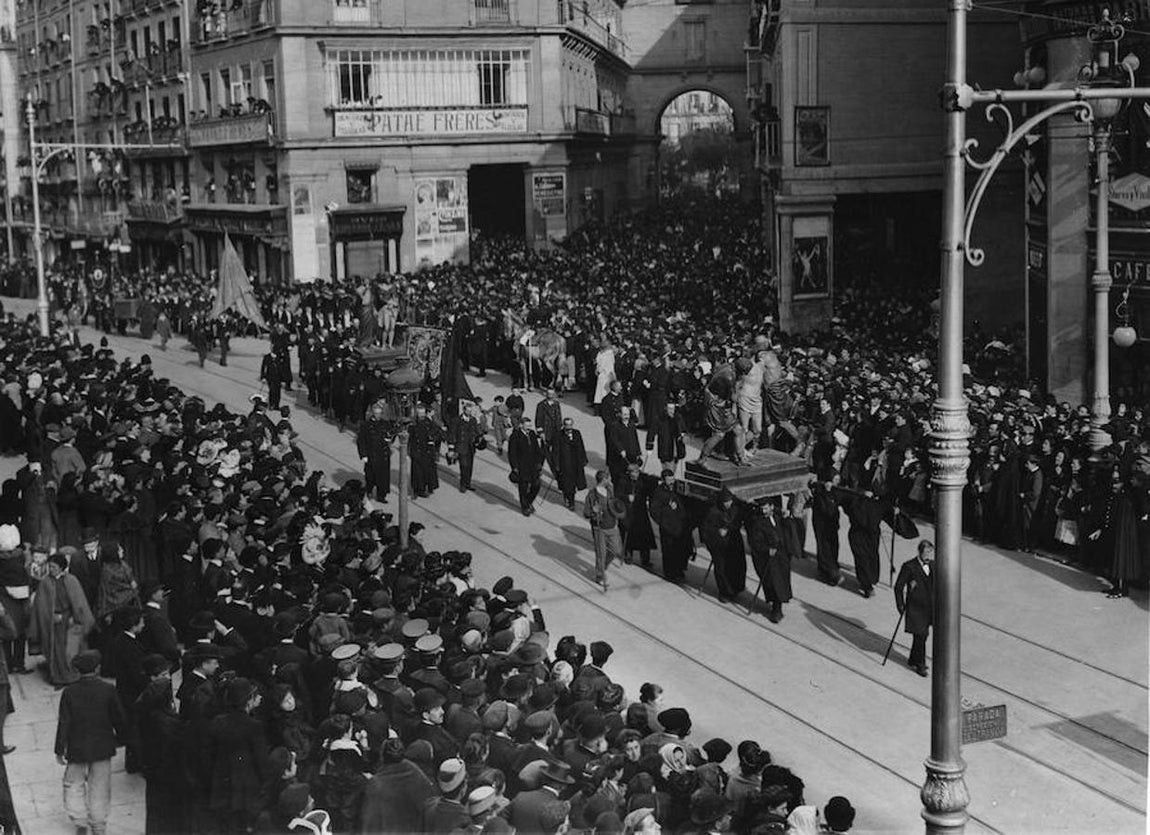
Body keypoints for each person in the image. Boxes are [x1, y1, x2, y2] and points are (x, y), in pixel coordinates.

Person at [55, 649, 125, 835]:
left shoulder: (69, 692)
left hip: (77, 748)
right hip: (102, 746)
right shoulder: (108, 690)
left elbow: (64, 722)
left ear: (78, 670)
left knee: (73, 784)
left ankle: (79, 821)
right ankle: (99, 825)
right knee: (100, 786)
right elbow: (119, 718)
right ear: (98, 668)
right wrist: (121, 739)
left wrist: (59, 749)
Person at [28, 551, 96, 686]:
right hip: (52, 623)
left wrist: (72, 617)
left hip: (70, 622)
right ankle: (58, 677)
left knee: (70, 650)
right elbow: (41, 606)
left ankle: (72, 676)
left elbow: (79, 603)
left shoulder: (72, 581)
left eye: (53, 567)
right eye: (50, 566)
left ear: (61, 567)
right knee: (56, 651)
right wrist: (50, 616)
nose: (51, 569)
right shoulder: (45, 583)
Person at [894, 540, 935, 677]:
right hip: (915, 608)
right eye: (926, 552)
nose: (929, 555)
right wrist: (900, 605)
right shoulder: (909, 566)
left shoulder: (933, 565)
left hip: (929, 609)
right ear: (920, 552)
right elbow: (898, 587)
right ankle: (920, 665)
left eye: (930, 551)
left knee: (921, 636)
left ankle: (913, 659)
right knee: (922, 635)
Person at [745, 501, 791, 623]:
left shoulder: (777, 517)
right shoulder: (758, 523)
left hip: (781, 557)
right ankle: (776, 609)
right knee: (773, 583)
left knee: (782, 582)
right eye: (762, 509)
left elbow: (787, 532)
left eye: (766, 508)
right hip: (768, 559)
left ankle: (778, 607)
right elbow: (756, 542)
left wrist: (787, 519)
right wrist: (767, 549)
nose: (764, 511)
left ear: (771, 506)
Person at [649, 469, 693, 584]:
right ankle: (670, 573)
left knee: (680, 550)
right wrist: (667, 511)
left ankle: (679, 570)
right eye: (669, 480)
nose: (671, 482)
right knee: (669, 551)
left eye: (672, 479)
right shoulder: (659, 493)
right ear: (663, 480)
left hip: (679, 526)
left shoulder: (677, 489)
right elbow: (654, 511)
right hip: (668, 527)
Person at [701, 490, 746, 602]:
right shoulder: (713, 512)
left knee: (737, 567)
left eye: (730, 501)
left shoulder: (735, 509)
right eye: (725, 502)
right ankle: (724, 592)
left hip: (734, 543)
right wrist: (717, 532)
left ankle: (735, 589)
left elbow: (737, 523)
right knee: (722, 569)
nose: (728, 504)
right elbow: (706, 530)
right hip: (719, 545)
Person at [585, 471, 623, 591]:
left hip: (612, 526)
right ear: (604, 479)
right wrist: (593, 511)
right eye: (608, 478)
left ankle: (603, 567)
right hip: (599, 528)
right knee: (601, 554)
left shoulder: (610, 491)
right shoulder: (592, 494)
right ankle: (600, 575)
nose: (610, 480)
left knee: (615, 550)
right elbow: (586, 512)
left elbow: (615, 504)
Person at [357, 400, 394, 503]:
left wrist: (389, 439)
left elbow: (390, 434)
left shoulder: (385, 424)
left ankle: (381, 495)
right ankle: (369, 491)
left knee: (383, 477)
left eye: (379, 413)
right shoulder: (366, 425)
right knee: (370, 476)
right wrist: (363, 454)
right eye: (376, 413)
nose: (378, 415)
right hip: (371, 454)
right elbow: (361, 440)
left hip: (383, 454)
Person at [508, 417, 545, 516]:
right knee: (523, 488)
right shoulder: (515, 436)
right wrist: (515, 467)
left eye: (530, 426)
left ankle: (528, 502)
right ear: (521, 425)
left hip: (533, 466)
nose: (529, 428)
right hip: (522, 467)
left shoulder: (532, 434)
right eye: (527, 426)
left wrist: (539, 463)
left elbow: (536, 449)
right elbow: (512, 453)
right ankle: (525, 507)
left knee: (536, 485)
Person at [451, 400, 485, 493]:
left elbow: (476, 431)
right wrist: (452, 447)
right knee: (463, 466)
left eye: (471, 411)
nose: (470, 412)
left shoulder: (473, 420)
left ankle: (468, 483)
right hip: (461, 446)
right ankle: (462, 484)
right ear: (464, 410)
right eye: (468, 411)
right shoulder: (457, 420)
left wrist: (480, 437)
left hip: (470, 446)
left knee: (470, 466)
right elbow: (453, 434)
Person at [555, 417, 588, 510]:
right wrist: (557, 464)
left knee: (574, 483)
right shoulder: (559, 435)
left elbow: (581, 446)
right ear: (563, 425)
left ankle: (570, 498)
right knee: (568, 484)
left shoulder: (577, 433)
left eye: (570, 425)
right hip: (565, 463)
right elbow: (556, 450)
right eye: (566, 425)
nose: (569, 427)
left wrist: (584, 459)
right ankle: (570, 502)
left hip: (576, 462)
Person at [647, 401, 687, 476]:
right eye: (669, 409)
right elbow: (651, 432)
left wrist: (683, 436)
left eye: (673, 408)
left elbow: (683, 429)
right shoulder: (660, 418)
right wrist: (649, 446)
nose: (671, 411)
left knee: (672, 471)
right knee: (668, 472)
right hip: (665, 449)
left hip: (676, 449)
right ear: (666, 408)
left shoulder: (678, 417)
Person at [535, 388, 563, 476]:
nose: (550, 395)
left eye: (552, 393)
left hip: (556, 431)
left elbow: (559, 417)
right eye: (549, 393)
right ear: (546, 394)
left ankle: (556, 470)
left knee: (555, 452)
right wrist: (541, 432)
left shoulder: (556, 404)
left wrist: (560, 428)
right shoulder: (541, 405)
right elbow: (538, 419)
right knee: (543, 453)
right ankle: (538, 469)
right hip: (546, 432)